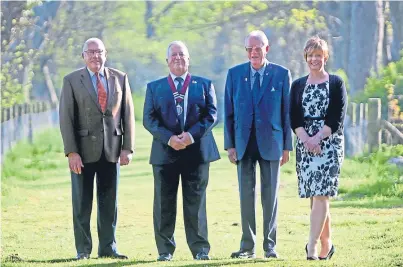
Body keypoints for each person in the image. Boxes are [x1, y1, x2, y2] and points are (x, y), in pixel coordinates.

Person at [143, 41, 220, 261]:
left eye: (182, 55)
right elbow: (149, 119)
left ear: (189, 59)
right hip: (165, 153)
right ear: (167, 60)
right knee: (164, 203)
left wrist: (190, 136)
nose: (178, 58)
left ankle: (200, 249)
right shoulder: (154, 87)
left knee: (196, 203)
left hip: (196, 153)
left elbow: (211, 115)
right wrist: (169, 139)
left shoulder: (204, 85)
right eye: (174, 55)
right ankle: (165, 250)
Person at [59, 38, 135, 260]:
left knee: (109, 203)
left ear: (105, 53)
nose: (95, 56)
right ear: (83, 56)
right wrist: (71, 152)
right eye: (90, 52)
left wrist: (127, 148)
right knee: (82, 203)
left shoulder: (120, 78)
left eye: (99, 51)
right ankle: (83, 250)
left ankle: (108, 248)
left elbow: (128, 115)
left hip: (111, 150)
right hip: (82, 152)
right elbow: (66, 118)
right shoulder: (72, 80)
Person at [224, 30, 293, 259]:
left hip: (271, 142)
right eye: (249, 49)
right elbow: (229, 114)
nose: (254, 52)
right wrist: (230, 145)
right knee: (246, 195)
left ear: (267, 48)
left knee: (270, 195)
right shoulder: (234, 75)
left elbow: (286, 113)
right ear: (246, 51)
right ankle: (247, 246)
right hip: (243, 144)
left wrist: (286, 147)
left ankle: (270, 246)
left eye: (258, 48)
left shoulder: (281, 74)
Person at [290, 36, 347, 260]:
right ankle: (327, 243)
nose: (315, 59)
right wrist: (306, 139)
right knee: (315, 198)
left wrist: (318, 138)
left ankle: (311, 246)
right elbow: (293, 116)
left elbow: (337, 117)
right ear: (306, 57)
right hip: (305, 143)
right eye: (311, 55)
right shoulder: (297, 85)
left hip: (329, 143)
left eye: (319, 55)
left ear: (325, 57)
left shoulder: (336, 83)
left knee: (322, 194)